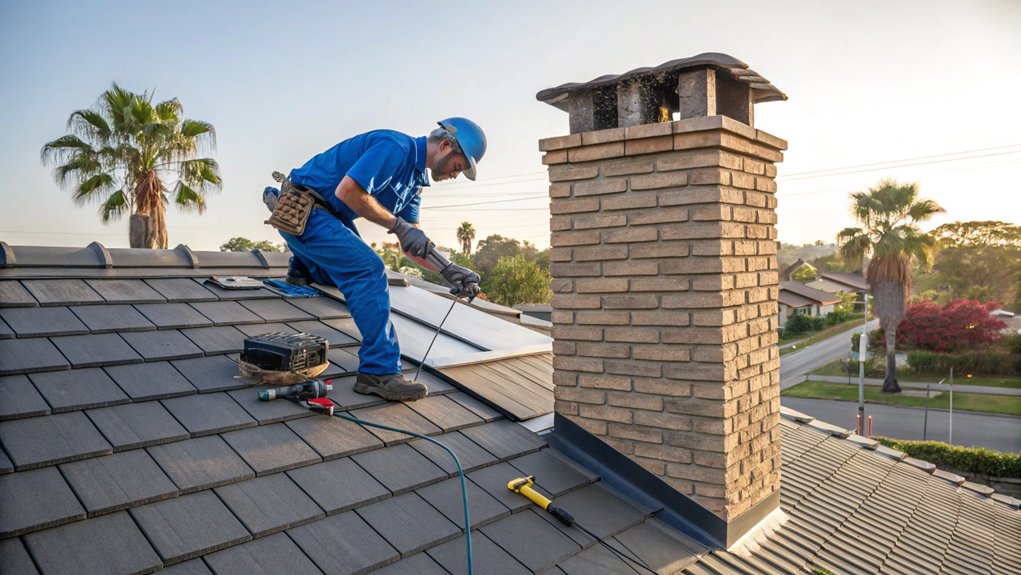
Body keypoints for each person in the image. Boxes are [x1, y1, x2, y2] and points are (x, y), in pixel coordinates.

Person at [264, 118, 485, 401]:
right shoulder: (395, 147)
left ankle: (305, 264)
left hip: (328, 219)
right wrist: (399, 226)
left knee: (345, 271)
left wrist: (448, 270)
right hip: (305, 207)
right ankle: (378, 372)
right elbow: (348, 191)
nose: (456, 175)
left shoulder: (415, 183)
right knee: (368, 270)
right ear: (444, 146)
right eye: (458, 166)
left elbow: (412, 243)